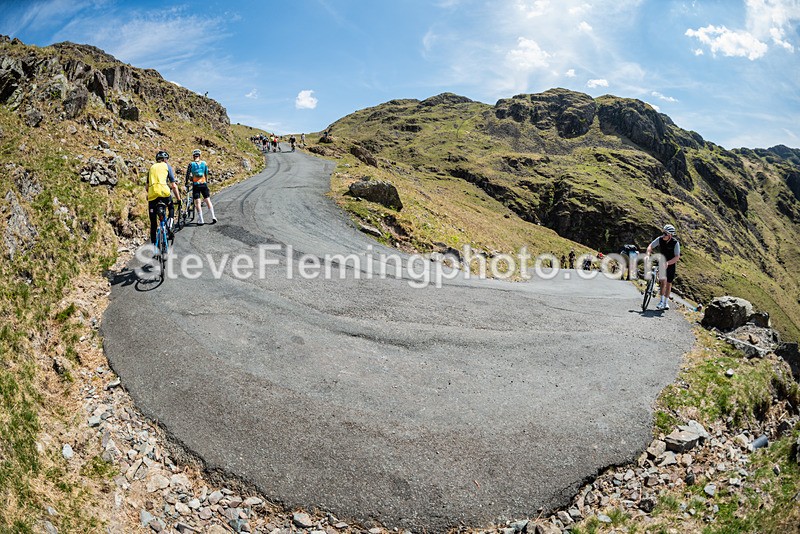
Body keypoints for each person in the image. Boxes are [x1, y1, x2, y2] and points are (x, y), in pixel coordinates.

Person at [146, 150, 181, 243]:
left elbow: (146, 187)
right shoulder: (167, 167)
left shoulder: (151, 168)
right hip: (165, 194)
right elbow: (173, 185)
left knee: (153, 224)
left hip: (152, 196)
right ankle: (169, 226)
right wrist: (179, 199)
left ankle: (155, 248)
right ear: (165, 159)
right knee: (171, 208)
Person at [646, 224, 681, 310]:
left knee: (669, 284)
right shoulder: (660, 239)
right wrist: (647, 254)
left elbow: (677, 257)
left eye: (665, 233)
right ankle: (661, 301)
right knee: (663, 282)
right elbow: (650, 246)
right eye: (663, 233)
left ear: (670, 235)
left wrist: (668, 263)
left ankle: (666, 302)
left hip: (671, 264)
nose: (663, 235)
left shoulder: (675, 243)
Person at [185, 149, 217, 226]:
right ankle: (213, 216)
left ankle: (201, 219)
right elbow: (206, 173)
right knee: (207, 200)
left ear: (193, 156)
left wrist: (187, 182)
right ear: (199, 156)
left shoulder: (191, 164)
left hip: (196, 185)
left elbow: (187, 175)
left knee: (197, 202)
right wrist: (206, 181)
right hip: (204, 183)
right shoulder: (204, 163)